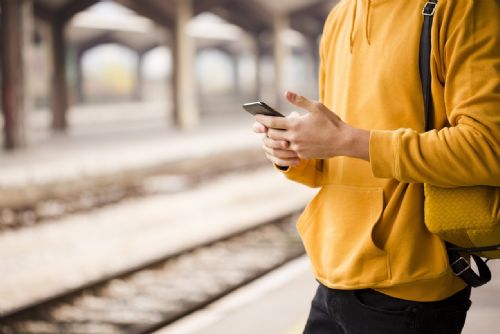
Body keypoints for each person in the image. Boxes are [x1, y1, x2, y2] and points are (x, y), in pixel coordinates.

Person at [252, 0, 499, 333]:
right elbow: (341, 148)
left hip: (410, 285)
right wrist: (293, 151)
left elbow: (488, 148)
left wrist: (346, 141)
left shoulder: (462, 7)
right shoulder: (340, 16)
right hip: (332, 272)